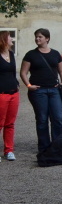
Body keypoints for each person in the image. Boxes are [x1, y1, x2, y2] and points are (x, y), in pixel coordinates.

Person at [20, 28, 62, 154]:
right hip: (38, 91)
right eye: (36, 37)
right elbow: (23, 72)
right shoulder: (31, 54)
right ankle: (44, 147)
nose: (37, 39)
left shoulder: (55, 53)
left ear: (47, 38)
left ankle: (57, 144)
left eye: (40, 37)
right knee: (42, 119)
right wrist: (28, 85)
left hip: (54, 90)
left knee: (58, 118)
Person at [0, 31, 20, 161]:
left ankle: (9, 150)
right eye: (9, 37)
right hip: (1, 94)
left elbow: (13, 73)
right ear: (3, 40)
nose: (12, 38)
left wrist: (17, 84)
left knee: (10, 123)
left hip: (14, 93)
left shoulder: (11, 54)